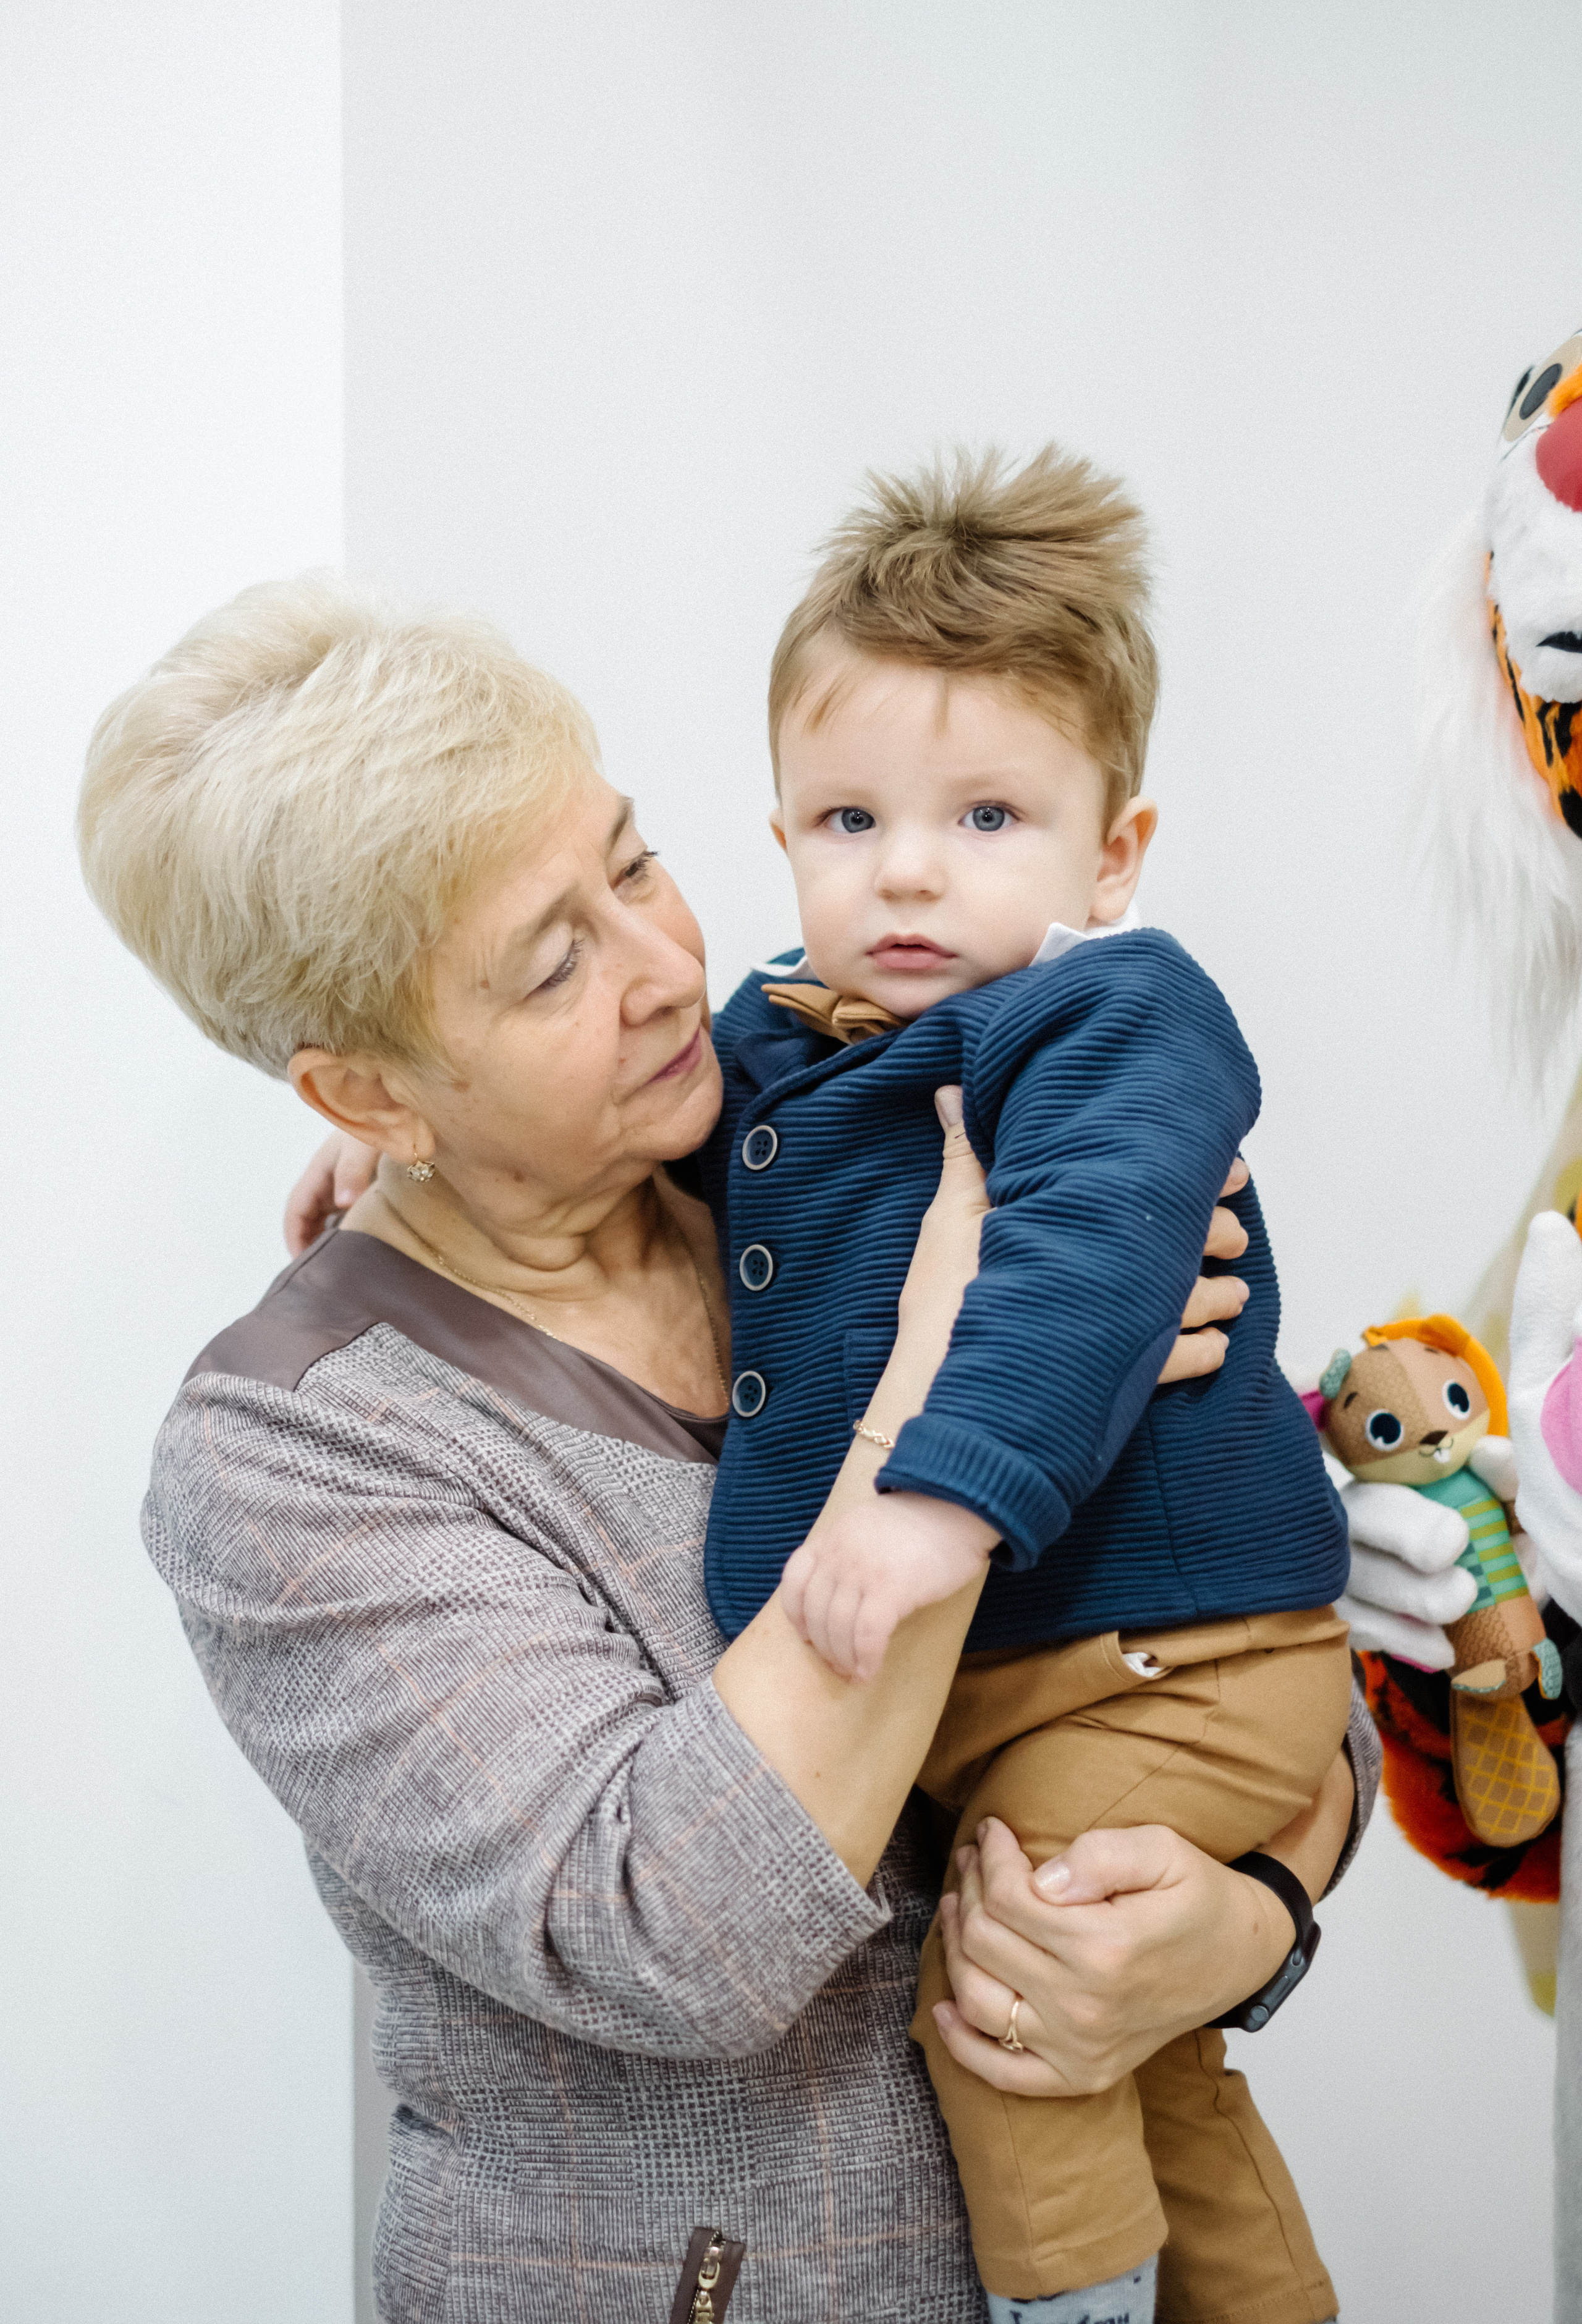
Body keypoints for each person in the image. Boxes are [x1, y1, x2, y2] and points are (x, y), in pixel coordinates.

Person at [80, 575, 1376, 2324]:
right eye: (551, 966)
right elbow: (681, 1934)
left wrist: (1252, 1918)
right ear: (368, 1096)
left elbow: (1228, 1629)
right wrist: (933, 1391)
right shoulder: (296, 1460)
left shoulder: (801, 1162)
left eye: (629, 862)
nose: (667, 971)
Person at [677, 449, 1347, 2324]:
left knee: (1013, 2015)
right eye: (847, 817)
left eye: (987, 816)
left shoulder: (1108, 1014)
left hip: (1174, 1657)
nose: (905, 870)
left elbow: (1088, 1252)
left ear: (1110, 856)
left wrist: (929, 1498)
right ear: (785, 831)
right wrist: (407, 1165)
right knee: (1155, 2068)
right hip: (1068, 1682)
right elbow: (657, 1160)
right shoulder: (790, 1050)